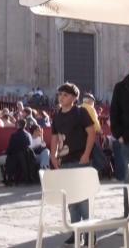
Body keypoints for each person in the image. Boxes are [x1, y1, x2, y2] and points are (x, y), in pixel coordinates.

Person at [51, 82, 96, 246]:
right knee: (71, 200)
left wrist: (86, 154)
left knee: (83, 199)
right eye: (60, 94)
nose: (61, 98)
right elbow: (54, 137)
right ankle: (76, 232)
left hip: (80, 159)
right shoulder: (57, 115)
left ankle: (90, 233)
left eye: (65, 95)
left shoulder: (81, 112)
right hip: (65, 161)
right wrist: (53, 155)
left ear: (74, 98)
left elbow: (91, 133)